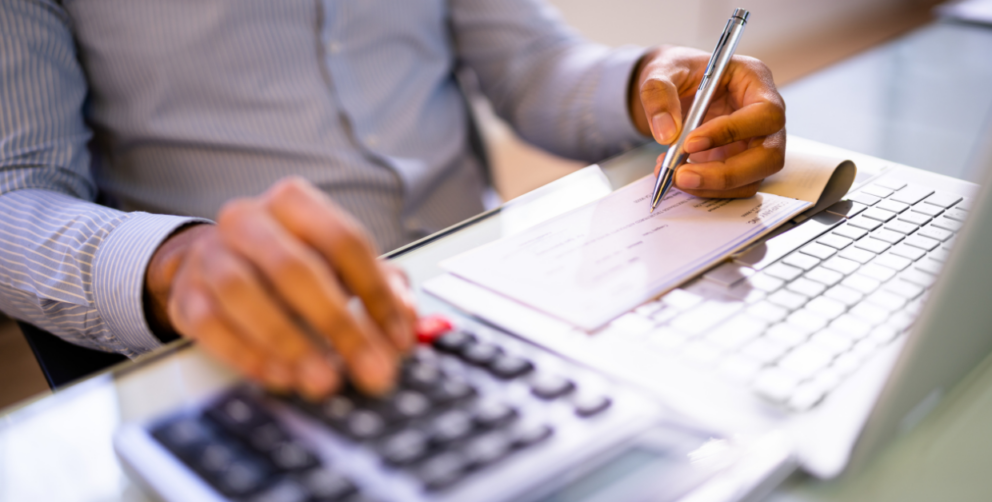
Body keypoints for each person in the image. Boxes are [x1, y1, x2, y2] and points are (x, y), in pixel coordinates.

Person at [0, 0, 785, 400]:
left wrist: (656, 83)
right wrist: (176, 262)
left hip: (502, 303)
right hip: (260, 353)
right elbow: (16, 191)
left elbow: (529, 62)